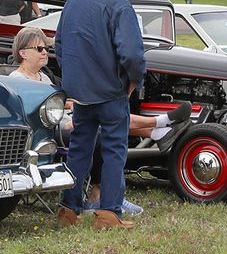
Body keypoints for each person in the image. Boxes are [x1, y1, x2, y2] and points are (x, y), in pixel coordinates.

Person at [10, 26, 191, 216]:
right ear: (23, 53)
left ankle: (157, 130)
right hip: (46, 132)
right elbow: (31, 114)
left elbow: (56, 102)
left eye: (46, 48)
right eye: (39, 49)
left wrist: (70, 104)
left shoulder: (44, 77)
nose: (45, 52)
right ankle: (158, 124)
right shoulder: (18, 80)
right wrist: (65, 116)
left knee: (103, 119)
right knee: (102, 127)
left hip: (65, 122)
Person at [54, 0, 150, 229]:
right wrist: (133, 82)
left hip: (80, 93)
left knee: (79, 150)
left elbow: (60, 46)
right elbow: (132, 55)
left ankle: (68, 210)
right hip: (111, 92)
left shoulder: (73, 2)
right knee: (114, 152)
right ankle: (108, 213)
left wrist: (74, 80)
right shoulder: (120, 7)